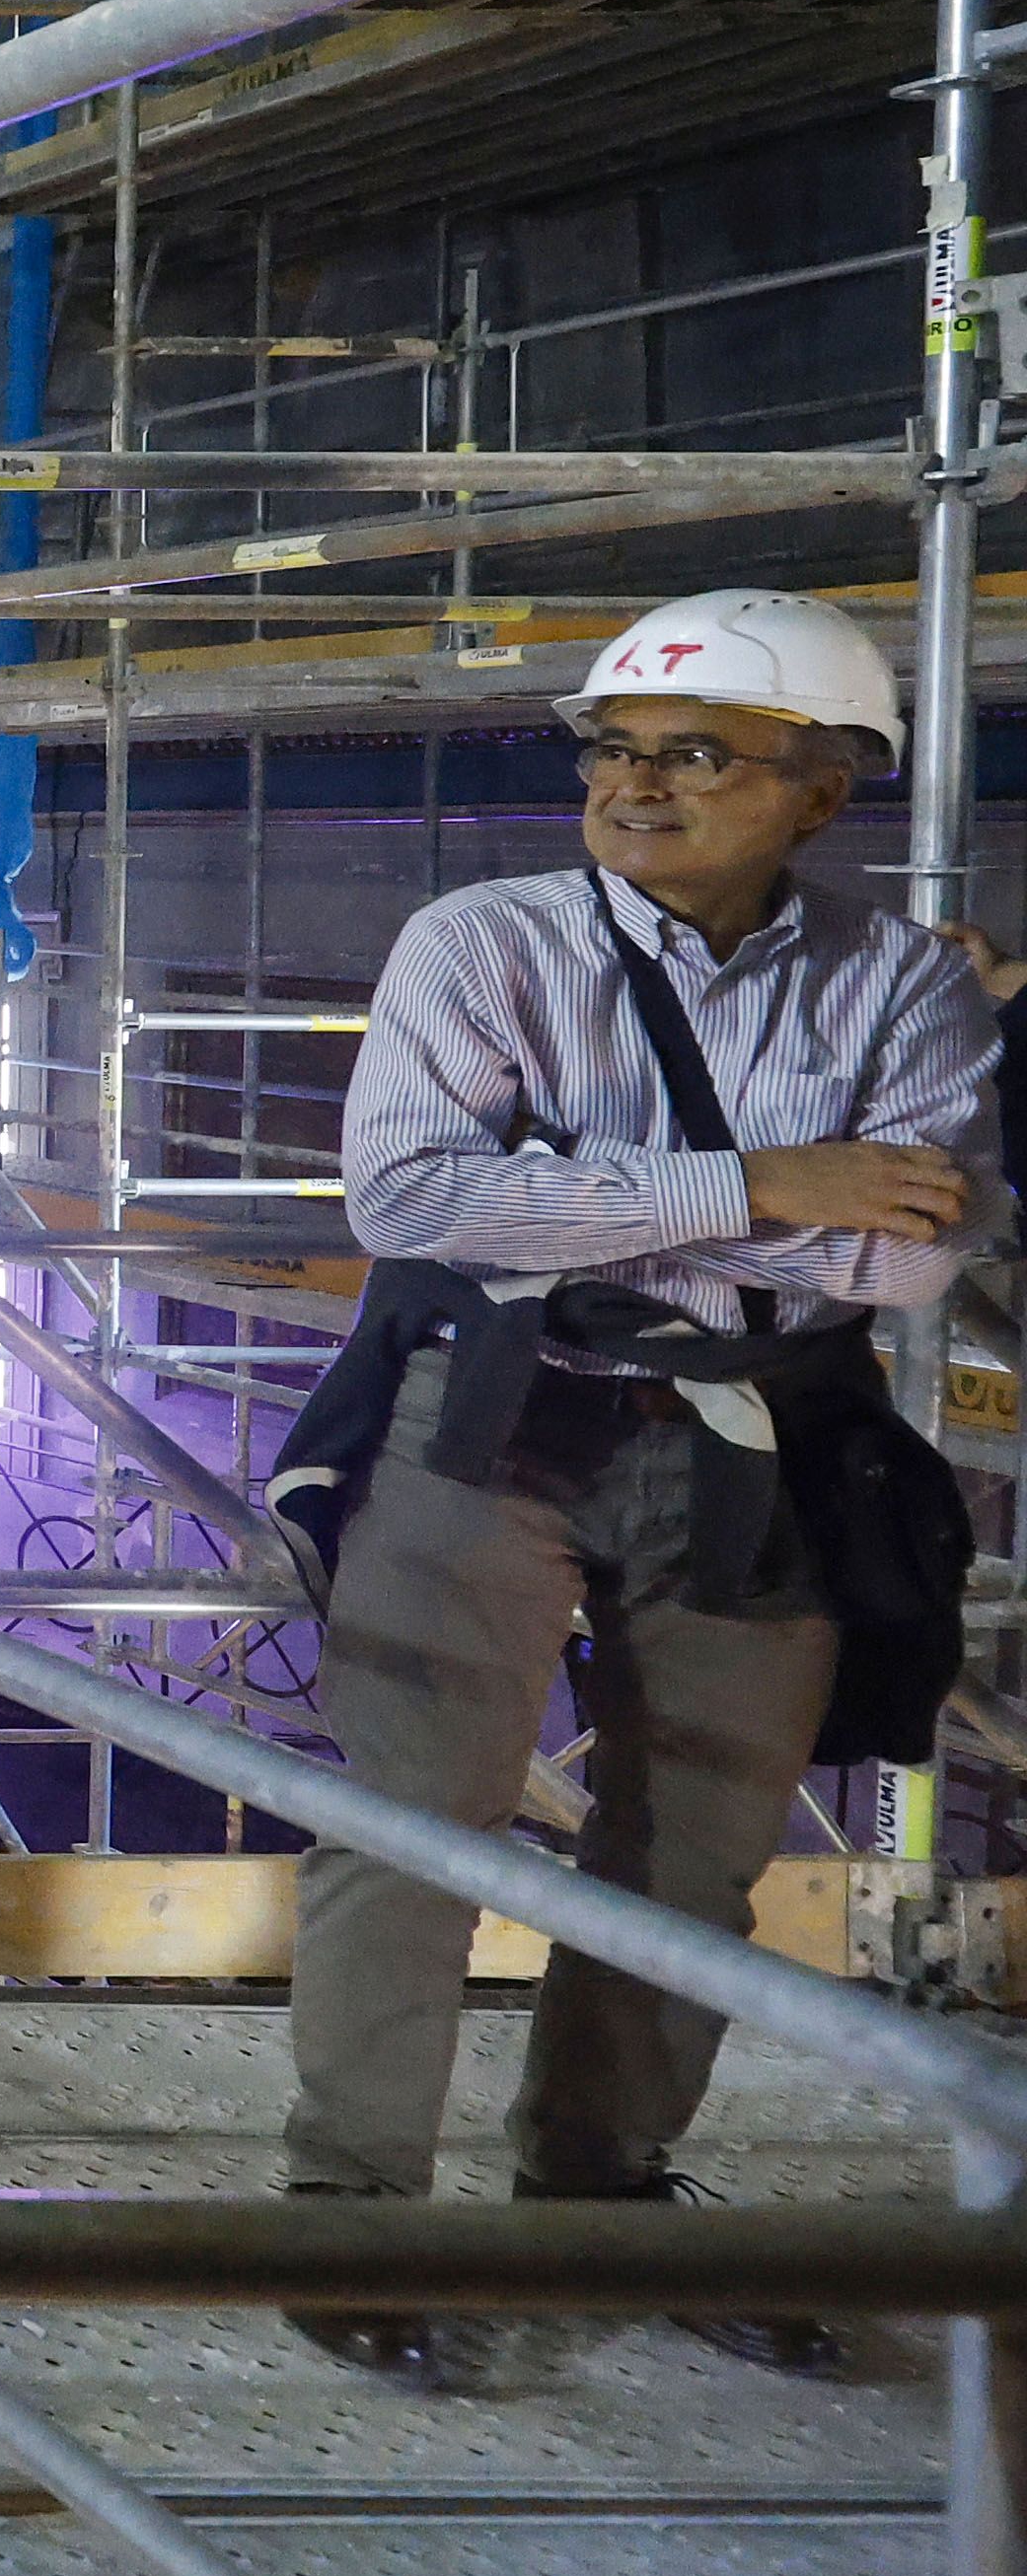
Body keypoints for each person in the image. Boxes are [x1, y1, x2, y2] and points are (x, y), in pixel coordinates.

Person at [285, 585, 994, 2387]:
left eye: (698, 754)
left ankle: (598, 2195)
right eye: (614, 747)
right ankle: (339, 2216)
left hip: (749, 1438)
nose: (637, 784)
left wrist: (593, 1185)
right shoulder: (482, 942)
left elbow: (905, 1257)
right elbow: (416, 1203)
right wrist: (777, 1180)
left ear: (824, 791)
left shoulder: (899, 978)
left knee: (696, 1852)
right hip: (491, 1415)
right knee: (414, 1818)